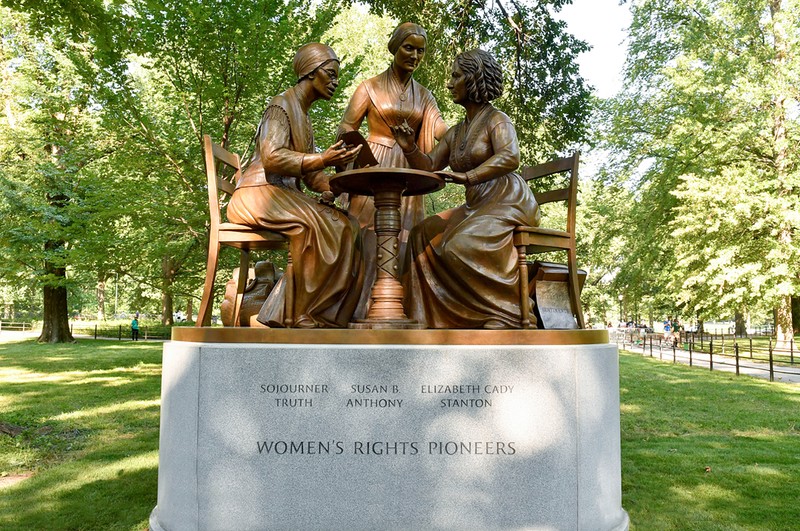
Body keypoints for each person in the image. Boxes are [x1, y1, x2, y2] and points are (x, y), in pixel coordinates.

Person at [391, 49, 540, 329]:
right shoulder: (457, 131)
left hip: (507, 200)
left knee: (459, 245)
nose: (450, 83)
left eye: (456, 76)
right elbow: (429, 163)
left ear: (474, 80)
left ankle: (507, 314)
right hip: (477, 205)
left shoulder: (498, 120)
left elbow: (510, 157)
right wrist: (408, 146)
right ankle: (431, 316)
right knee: (422, 235)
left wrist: (469, 176)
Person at [227, 43, 364, 328]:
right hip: (257, 194)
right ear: (310, 73)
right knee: (316, 225)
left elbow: (314, 180)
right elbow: (272, 156)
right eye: (331, 74)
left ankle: (324, 313)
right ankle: (298, 313)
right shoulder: (281, 105)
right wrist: (322, 158)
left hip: (282, 194)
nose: (336, 82)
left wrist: (341, 176)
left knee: (348, 224)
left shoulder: (305, 117)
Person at [338, 22, 448, 317]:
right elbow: (347, 127)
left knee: (405, 234)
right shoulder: (369, 87)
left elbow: (440, 129)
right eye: (408, 48)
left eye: (420, 50)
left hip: (408, 171)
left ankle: (399, 304)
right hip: (373, 165)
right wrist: (352, 157)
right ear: (395, 48)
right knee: (365, 232)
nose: (414, 55)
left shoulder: (424, 96)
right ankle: (360, 308)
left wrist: (462, 137)